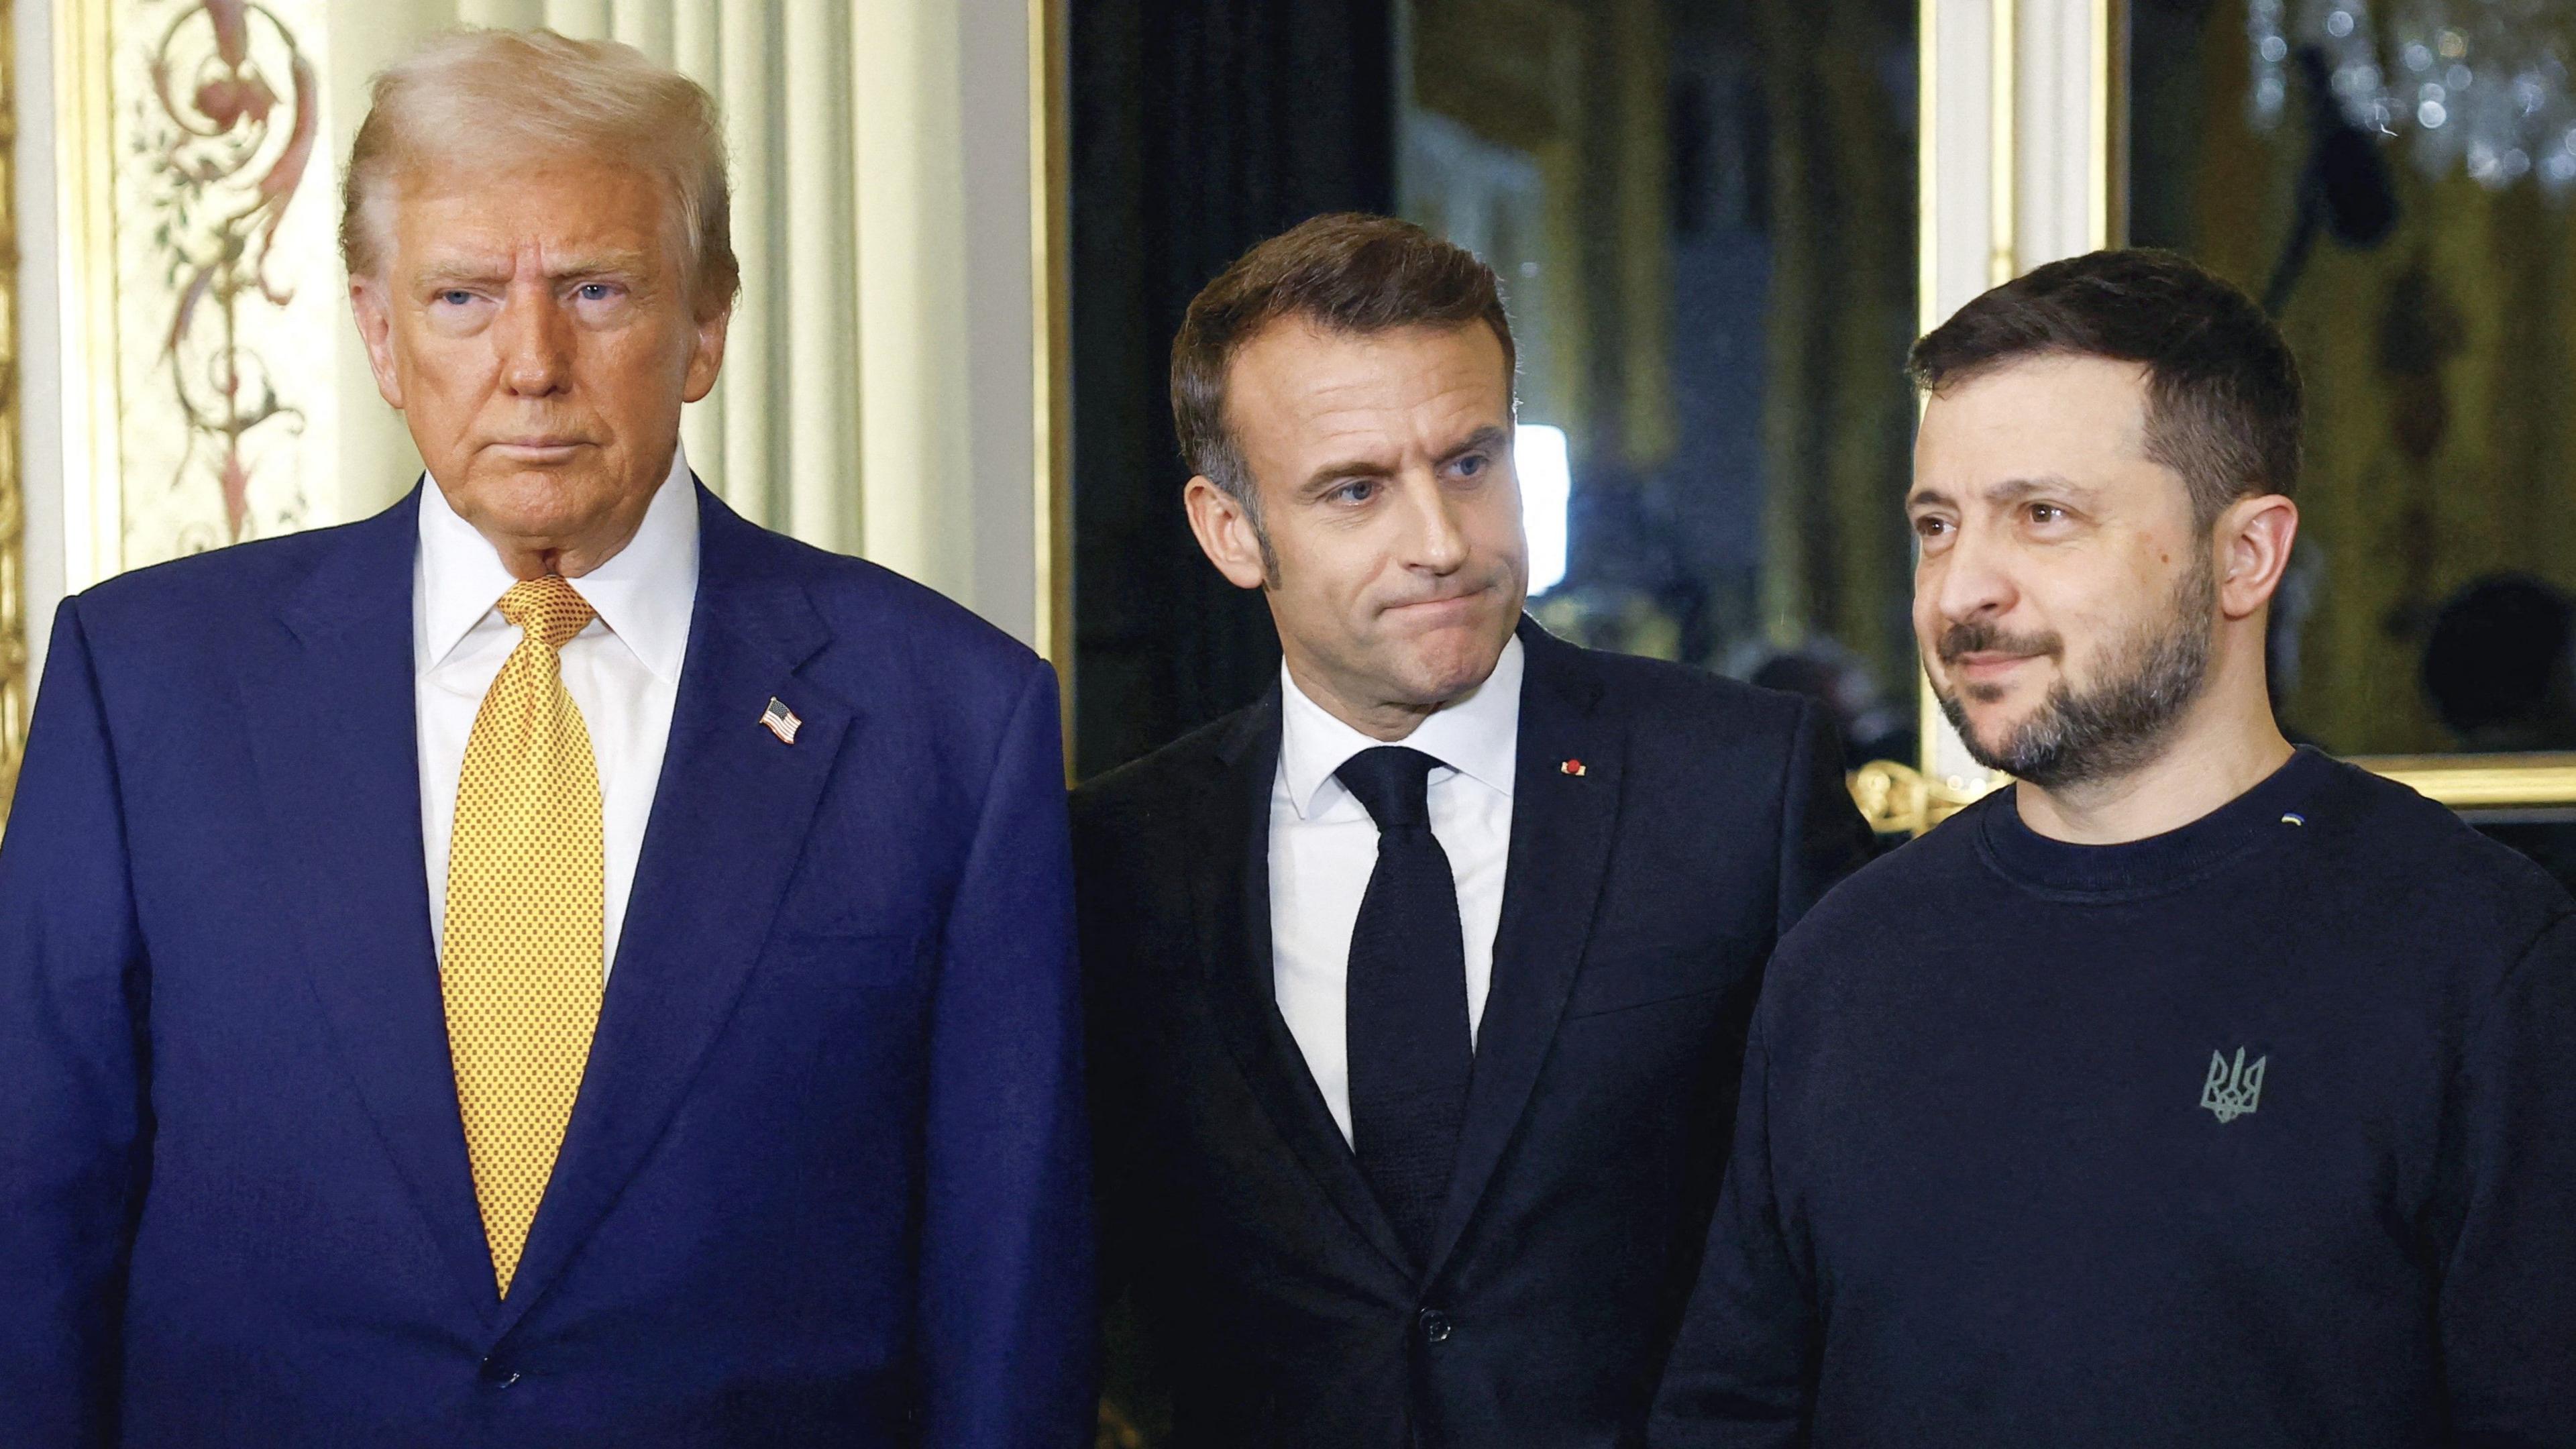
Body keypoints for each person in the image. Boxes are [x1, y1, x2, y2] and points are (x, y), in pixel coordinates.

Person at [0, 32, 1090, 1448]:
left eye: (597, 289)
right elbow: (34, 1228)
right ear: (380, 334)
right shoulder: (144, 685)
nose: (533, 362)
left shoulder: (954, 720)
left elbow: (1008, 1292)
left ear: (706, 323)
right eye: (462, 296)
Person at [1651, 249, 2576, 1448]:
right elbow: (1731, 1416)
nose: (1961, 588)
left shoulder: (2477, 957)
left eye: (2044, 517)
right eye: (1937, 525)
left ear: (2245, 556)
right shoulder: (1844, 963)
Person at [1074, 213, 1872, 1447]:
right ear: (1232, 532)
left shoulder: (1739, 787)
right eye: (1355, 490)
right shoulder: (1115, 860)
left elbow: (1851, 1240)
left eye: (1469, 462)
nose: (1442, 544)